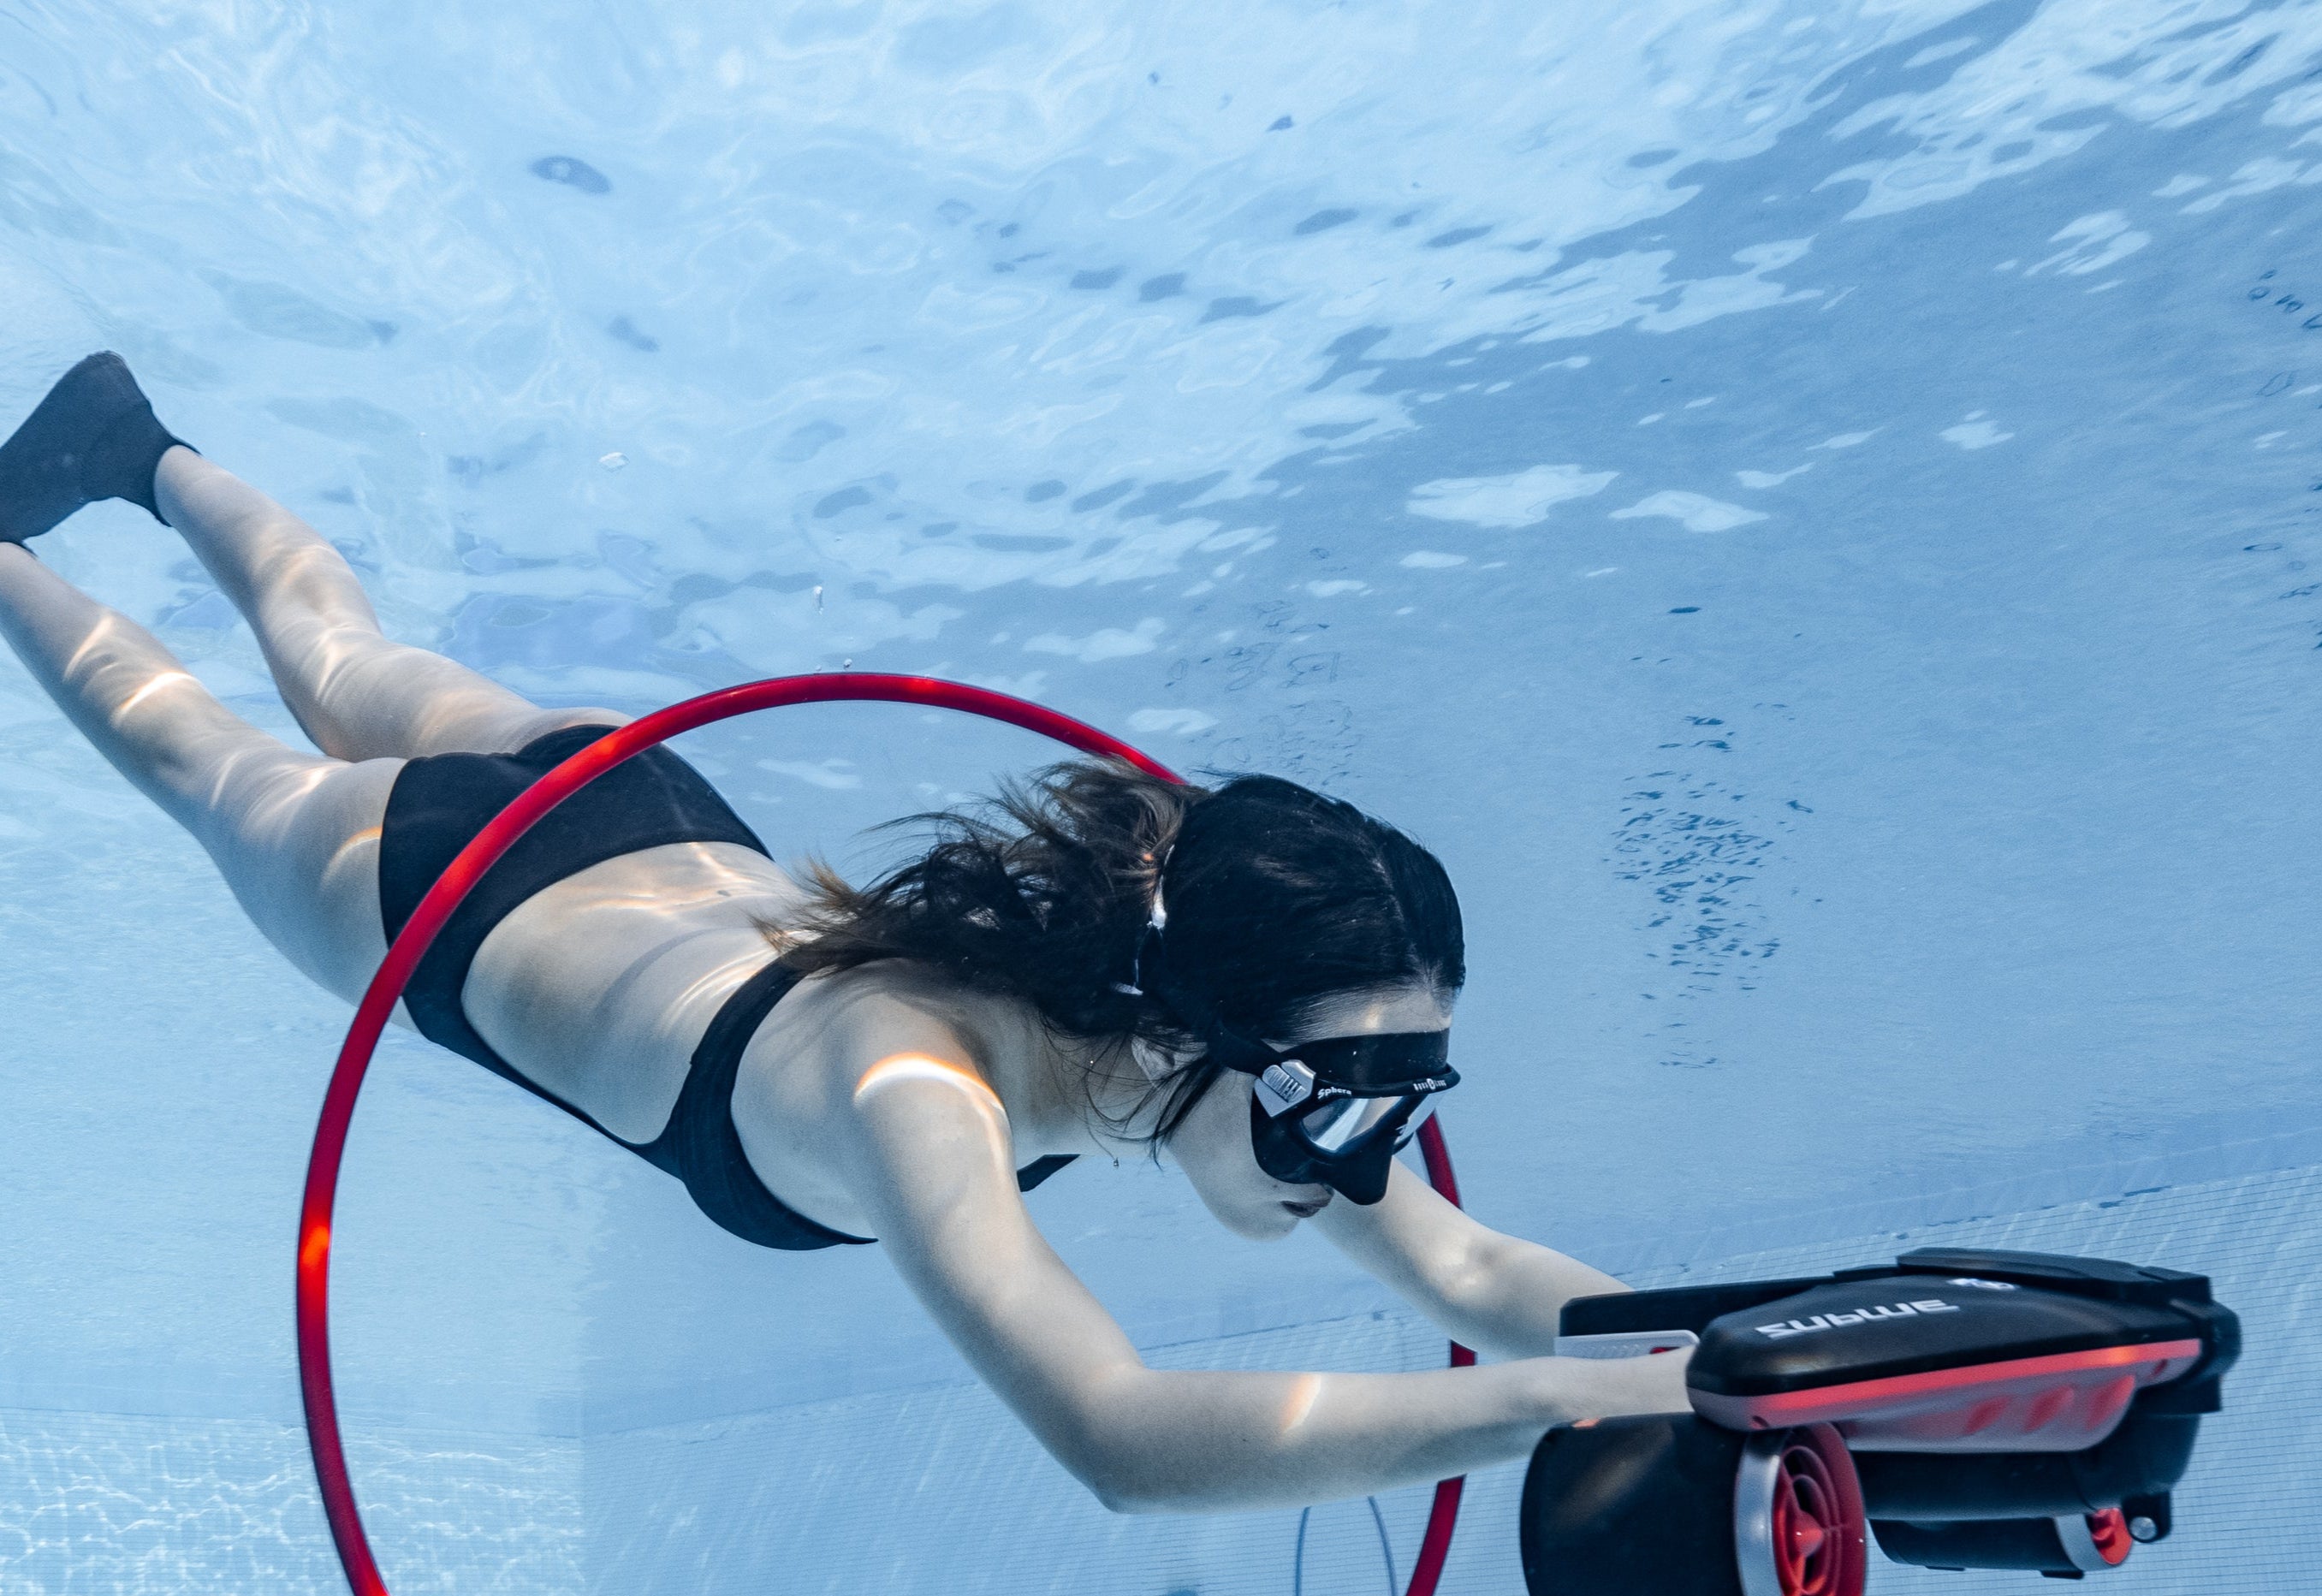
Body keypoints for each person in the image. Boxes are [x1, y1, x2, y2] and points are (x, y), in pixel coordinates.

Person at [0, 352, 1690, 1511]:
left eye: (1404, 1104)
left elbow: (1471, 1271)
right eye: (1344, 1106)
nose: (1363, 1162)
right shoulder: (915, 1091)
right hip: (440, 891)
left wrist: (1721, 1366)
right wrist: (1546, 1403)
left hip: (639, 804)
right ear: (1198, 1038)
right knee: (194, 744)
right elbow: (1117, 1434)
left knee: (335, 650)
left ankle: (134, 442)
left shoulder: (1186, 1031)